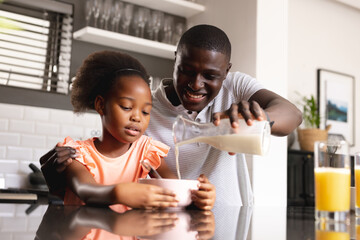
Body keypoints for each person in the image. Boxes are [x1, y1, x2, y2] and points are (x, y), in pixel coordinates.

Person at [41, 24, 302, 206]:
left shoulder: (235, 87)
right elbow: (107, 167)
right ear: (175, 60)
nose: (196, 84)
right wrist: (60, 175)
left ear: (226, 71)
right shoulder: (147, 108)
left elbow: (292, 115)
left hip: (226, 219)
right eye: (187, 70)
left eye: (210, 76)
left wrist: (262, 118)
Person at [43, 50, 215, 210]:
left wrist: (199, 196)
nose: (137, 117)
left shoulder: (146, 151)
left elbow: (175, 189)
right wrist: (119, 193)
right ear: (101, 105)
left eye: (146, 111)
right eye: (126, 107)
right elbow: (87, 190)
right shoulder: (77, 153)